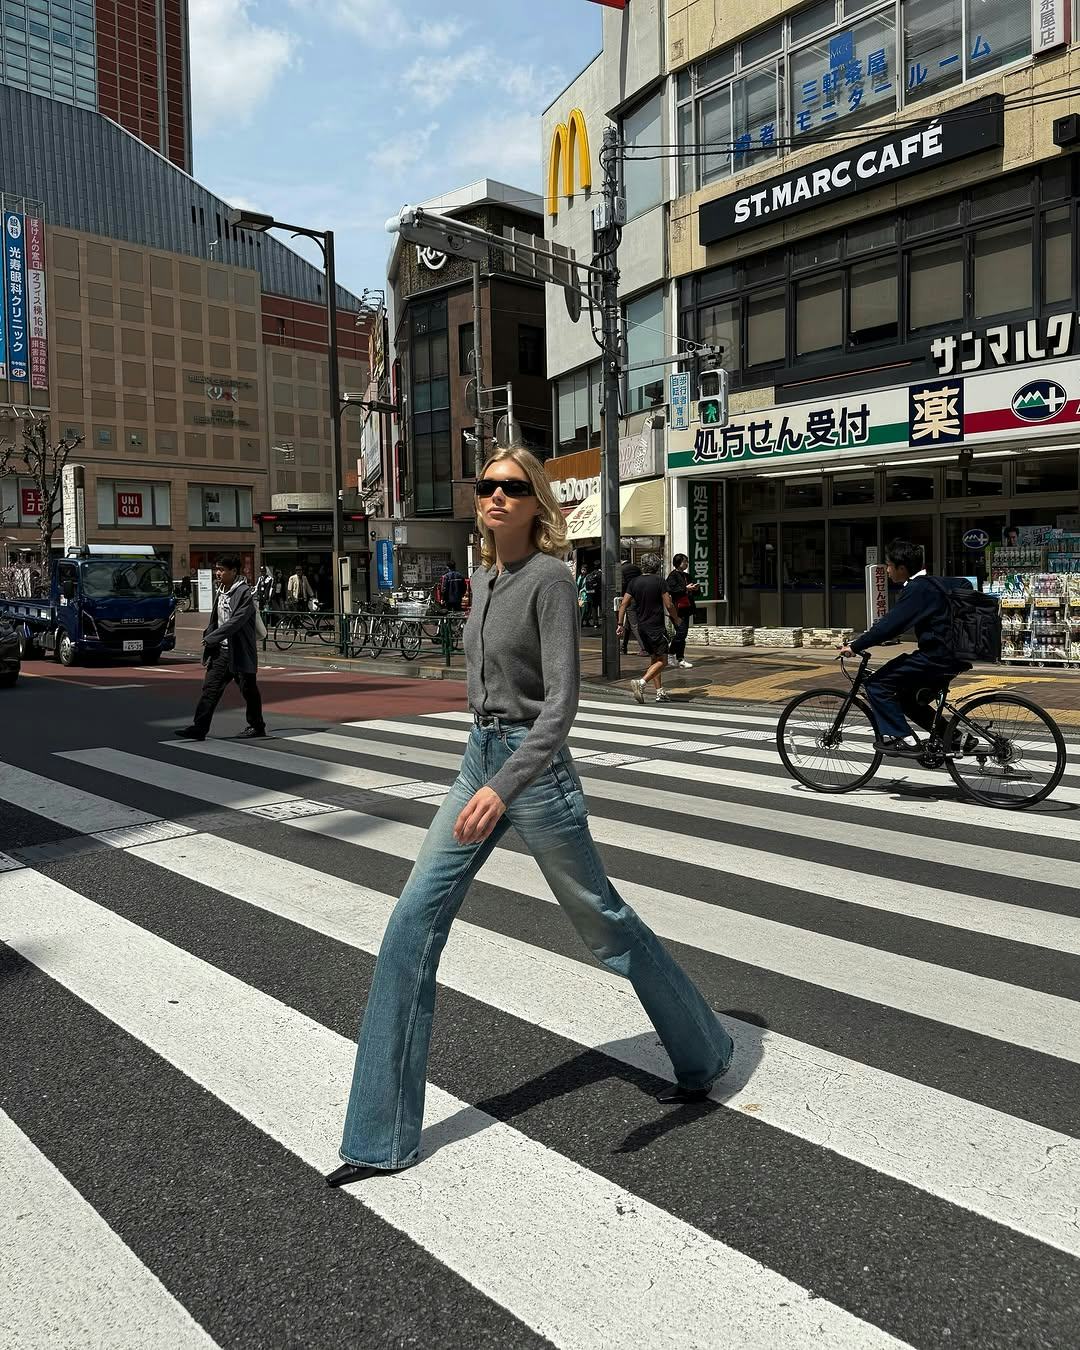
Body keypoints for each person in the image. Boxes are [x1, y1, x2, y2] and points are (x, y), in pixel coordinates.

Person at [327, 447, 734, 1188]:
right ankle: (379, 1137)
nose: (496, 496)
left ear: (537, 504)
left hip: (534, 774)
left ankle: (704, 1050)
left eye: (513, 488)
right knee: (410, 923)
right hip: (478, 759)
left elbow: (560, 708)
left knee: (604, 922)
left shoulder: (548, 579)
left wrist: (504, 784)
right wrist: (480, 764)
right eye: (486, 485)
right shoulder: (482, 578)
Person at [839, 538, 973, 757]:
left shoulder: (918, 589)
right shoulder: (935, 583)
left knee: (876, 685)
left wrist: (855, 645)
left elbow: (890, 627)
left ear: (902, 568)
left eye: (889, 565)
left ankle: (903, 738)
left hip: (936, 658)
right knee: (908, 700)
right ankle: (956, 738)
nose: (888, 570)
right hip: (954, 656)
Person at [176, 554, 266, 743]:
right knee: (210, 689)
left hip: (240, 650)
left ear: (234, 572)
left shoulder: (244, 593)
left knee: (248, 689)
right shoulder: (222, 589)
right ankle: (199, 728)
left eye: (222, 570)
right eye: (216, 569)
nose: (218, 573)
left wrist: (212, 637)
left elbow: (236, 621)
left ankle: (257, 725)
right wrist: (211, 636)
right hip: (221, 651)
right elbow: (216, 619)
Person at [616, 554, 680, 704]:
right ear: (657, 567)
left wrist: (620, 624)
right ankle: (641, 683)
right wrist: (676, 619)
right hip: (656, 627)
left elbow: (624, 604)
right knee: (664, 660)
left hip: (641, 627)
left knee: (654, 658)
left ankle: (659, 692)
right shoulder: (660, 581)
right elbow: (669, 605)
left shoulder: (634, 582)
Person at [664, 554, 700, 670]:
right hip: (676, 609)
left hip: (687, 608)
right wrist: (686, 589)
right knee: (681, 633)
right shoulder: (672, 576)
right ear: (678, 563)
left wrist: (695, 589)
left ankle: (680, 658)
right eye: (685, 562)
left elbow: (694, 593)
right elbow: (672, 590)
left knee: (682, 634)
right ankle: (672, 653)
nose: (686, 564)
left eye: (687, 562)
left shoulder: (687, 576)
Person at [620, 556, 646, 656]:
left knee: (634, 624)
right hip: (639, 597)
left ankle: (644, 648)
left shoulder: (621, 569)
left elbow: (622, 584)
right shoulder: (636, 568)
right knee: (628, 624)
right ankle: (623, 647)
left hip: (629, 597)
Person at [581, 562, 602, 628]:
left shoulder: (591, 574)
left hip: (592, 593)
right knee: (602, 607)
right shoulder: (601, 573)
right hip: (599, 593)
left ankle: (595, 623)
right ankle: (604, 621)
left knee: (594, 608)